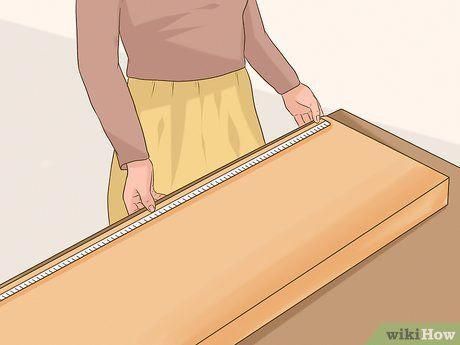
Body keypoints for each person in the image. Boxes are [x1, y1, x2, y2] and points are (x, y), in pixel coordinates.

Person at [76, 0, 324, 225]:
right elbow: (96, 64)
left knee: (248, 232)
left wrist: (291, 87)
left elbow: (251, 35)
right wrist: (135, 157)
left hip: (234, 118)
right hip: (159, 129)